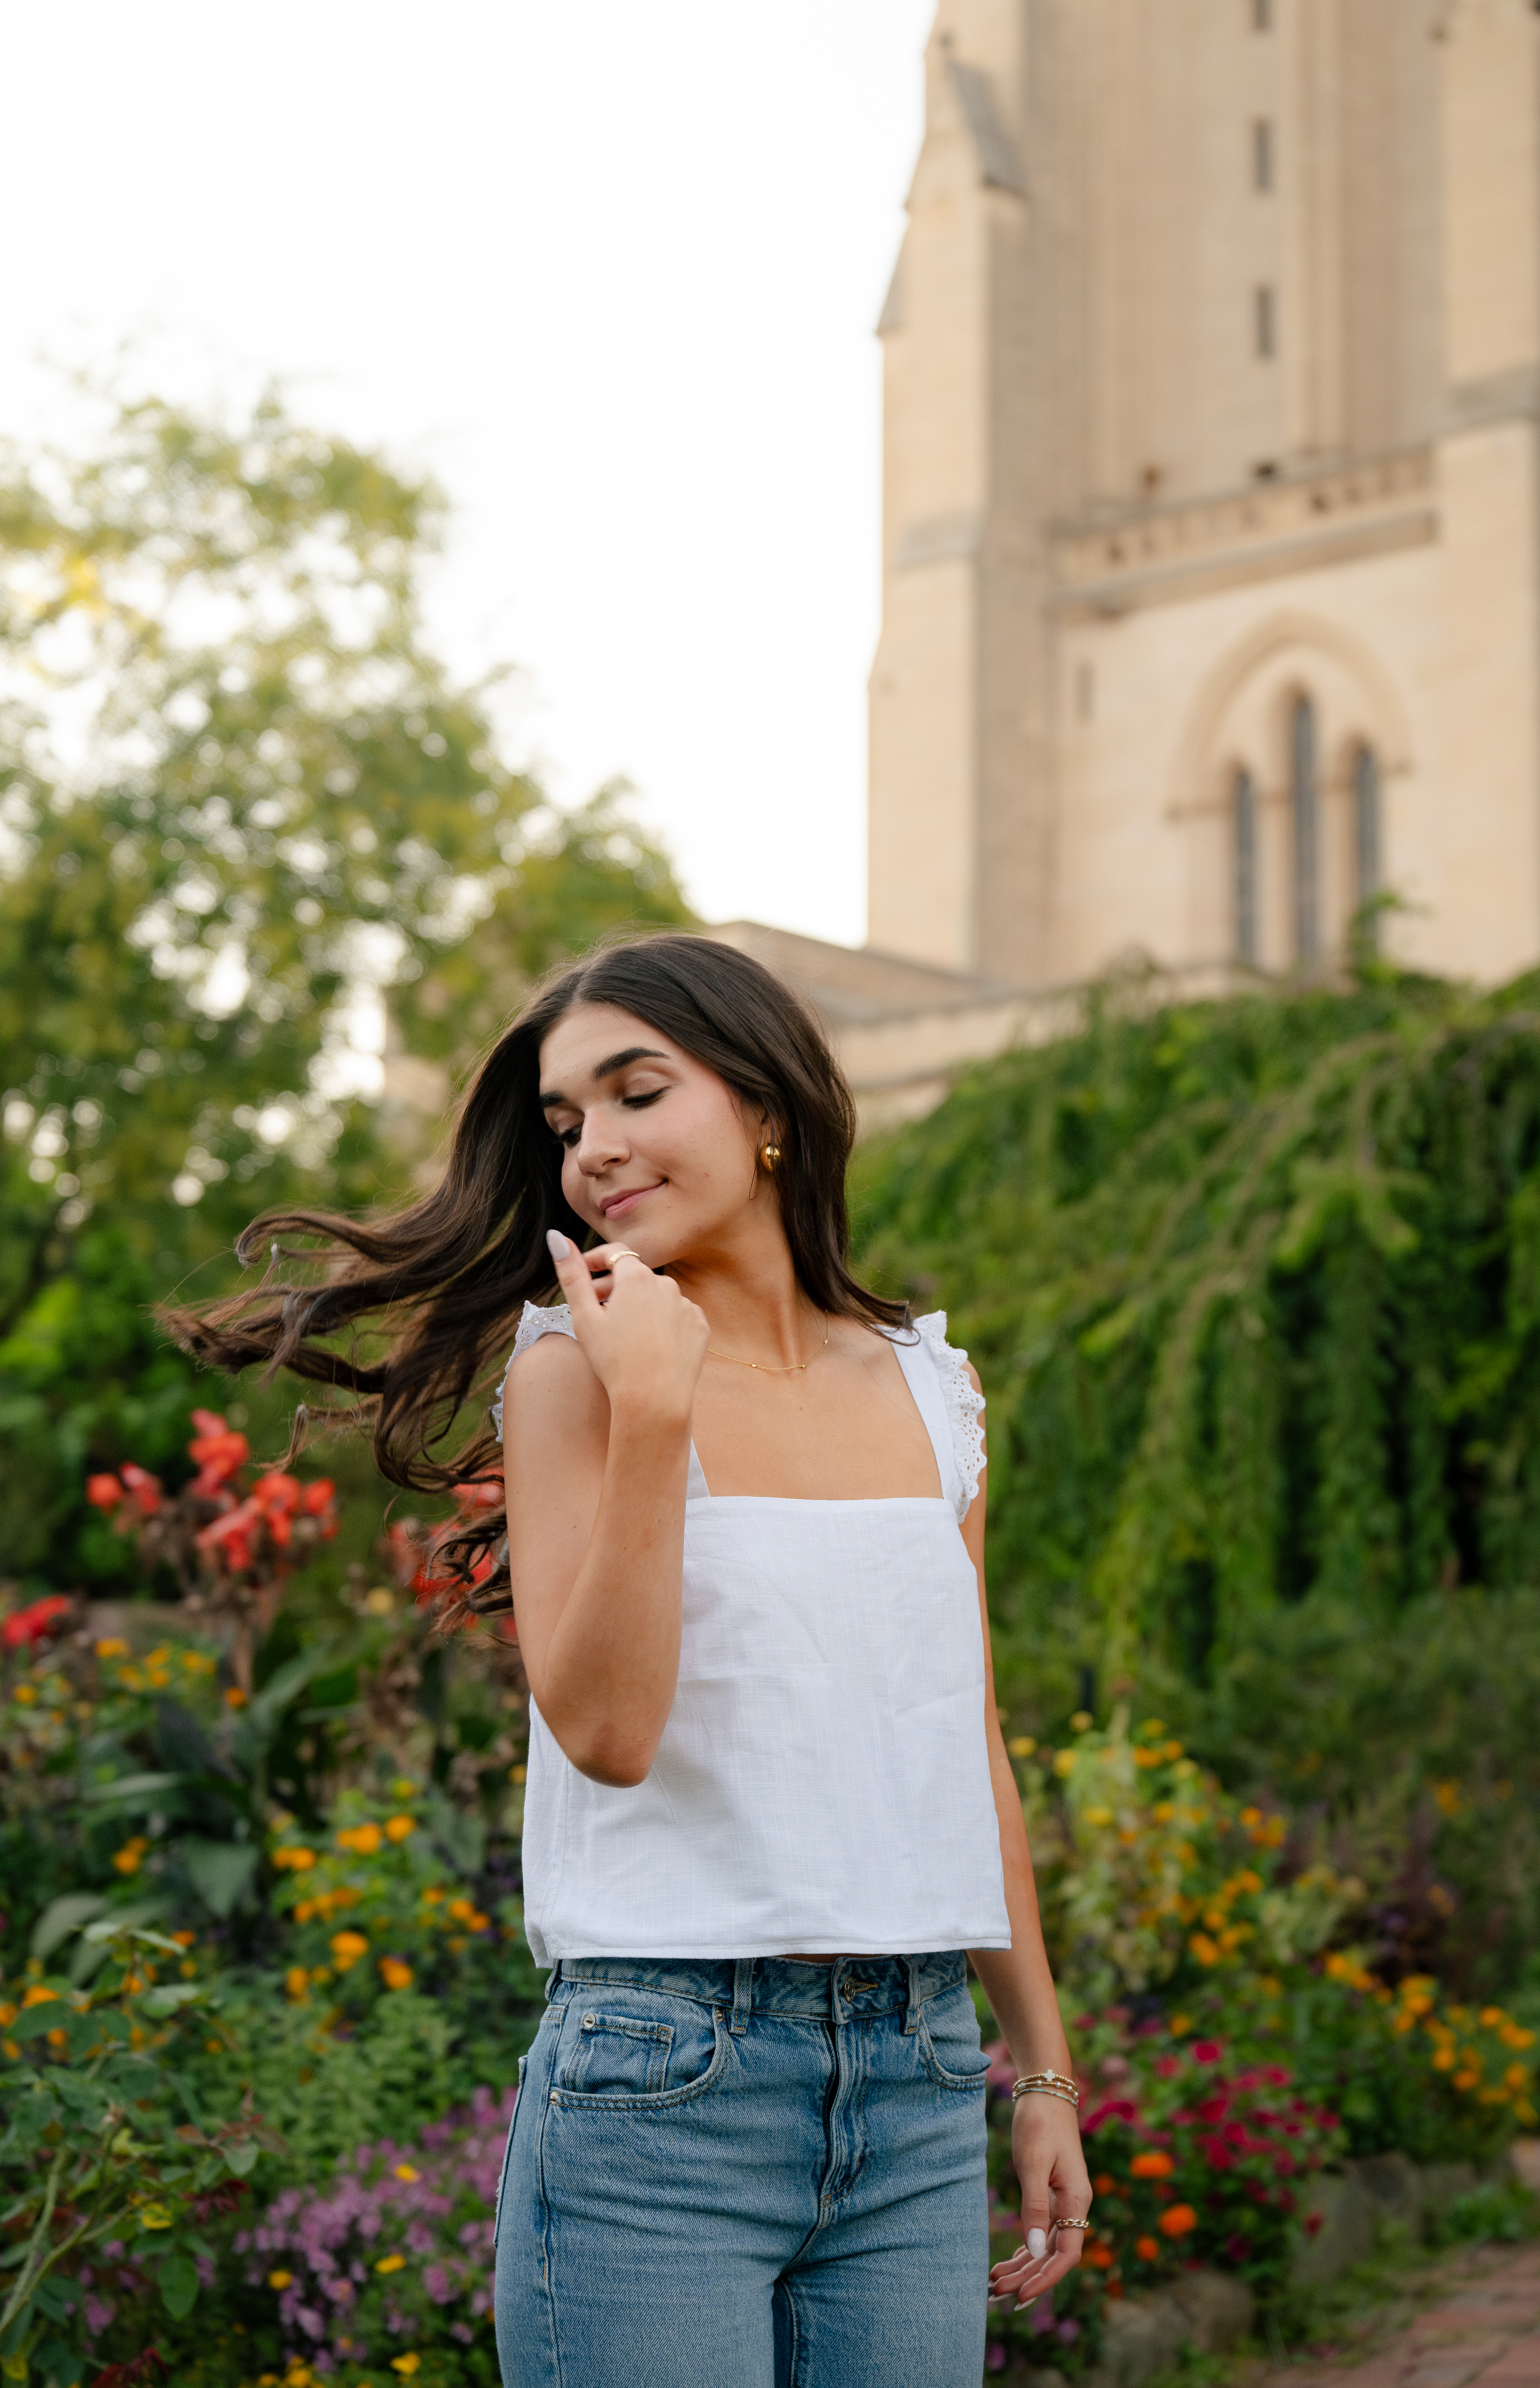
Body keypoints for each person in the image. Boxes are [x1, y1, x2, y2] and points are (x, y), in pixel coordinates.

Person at [172, 933, 1090, 2388]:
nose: (593, 1148)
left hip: (916, 2073)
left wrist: (1039, 2070)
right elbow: (603, 1726)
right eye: (564, 1122)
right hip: (662, 2085)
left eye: (635, 1093)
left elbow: (962, 1743)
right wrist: (655, 1411)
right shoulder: (570, 1367)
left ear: (767, 1102)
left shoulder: (933, 1386)